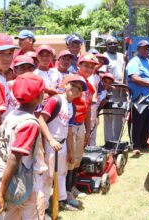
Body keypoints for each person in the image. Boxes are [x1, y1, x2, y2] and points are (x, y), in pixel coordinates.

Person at [0, 72, 44, 219]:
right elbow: (14, 158)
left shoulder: (12, 115)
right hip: (25, 183)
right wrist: (1, 192)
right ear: (40, 96)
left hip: (5, 178)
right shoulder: (29, 123)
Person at [38, 75, 85, 212]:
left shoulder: (72, 107)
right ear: (65, 85)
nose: (76, 90)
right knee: (48, 175)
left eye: (80, 89)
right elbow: (41, 120)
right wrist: (50, 140)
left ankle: (61, 200)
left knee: (62, 173)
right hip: (50, 143)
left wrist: (70, 151)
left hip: (62, 143)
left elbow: (69, 131)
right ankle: (44, 206)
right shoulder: (55, 100)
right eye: (73, 85)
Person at [66, 53, 97, 198]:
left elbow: (88, 108)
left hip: (81, 125)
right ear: (79, 65)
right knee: (69, 159)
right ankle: (65, 191)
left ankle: (73, 187)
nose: (89, 69)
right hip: (70, 125)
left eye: (92, 66)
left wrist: (88, 130)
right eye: (86, 65)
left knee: (77, 158)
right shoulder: (72, 80)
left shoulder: (90, 85)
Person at [127, 40, 149, 154]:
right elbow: (134, 78)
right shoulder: (134, 62)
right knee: (138, 123)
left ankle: (144, 143)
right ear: (138, 49)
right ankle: (136, 145)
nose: (146, 50)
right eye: (143, 48)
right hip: (140, 98)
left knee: (148, 123)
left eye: (147, 48)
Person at [101, 36, 128, 143]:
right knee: (109, 116)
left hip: (121, 92)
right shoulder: (104, 57)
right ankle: (108, 141)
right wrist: (114, 84)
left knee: (119, 117)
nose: (113, 45)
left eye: (115, 43)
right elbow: (102, 74)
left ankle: (117, 141)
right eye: (110, 43)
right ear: (106, 45)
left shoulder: (122, 56)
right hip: (109, 91)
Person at [89, 73, 114, 146]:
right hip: (89, 112)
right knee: (87, 132)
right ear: (101, 81)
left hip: (95, 113)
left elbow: (100, 106)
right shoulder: (96, 88)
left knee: (93, 133)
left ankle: (92, 148)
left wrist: (107, 98)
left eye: (109, 83)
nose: (106, 84)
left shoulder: (106, 92)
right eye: (105, 81)